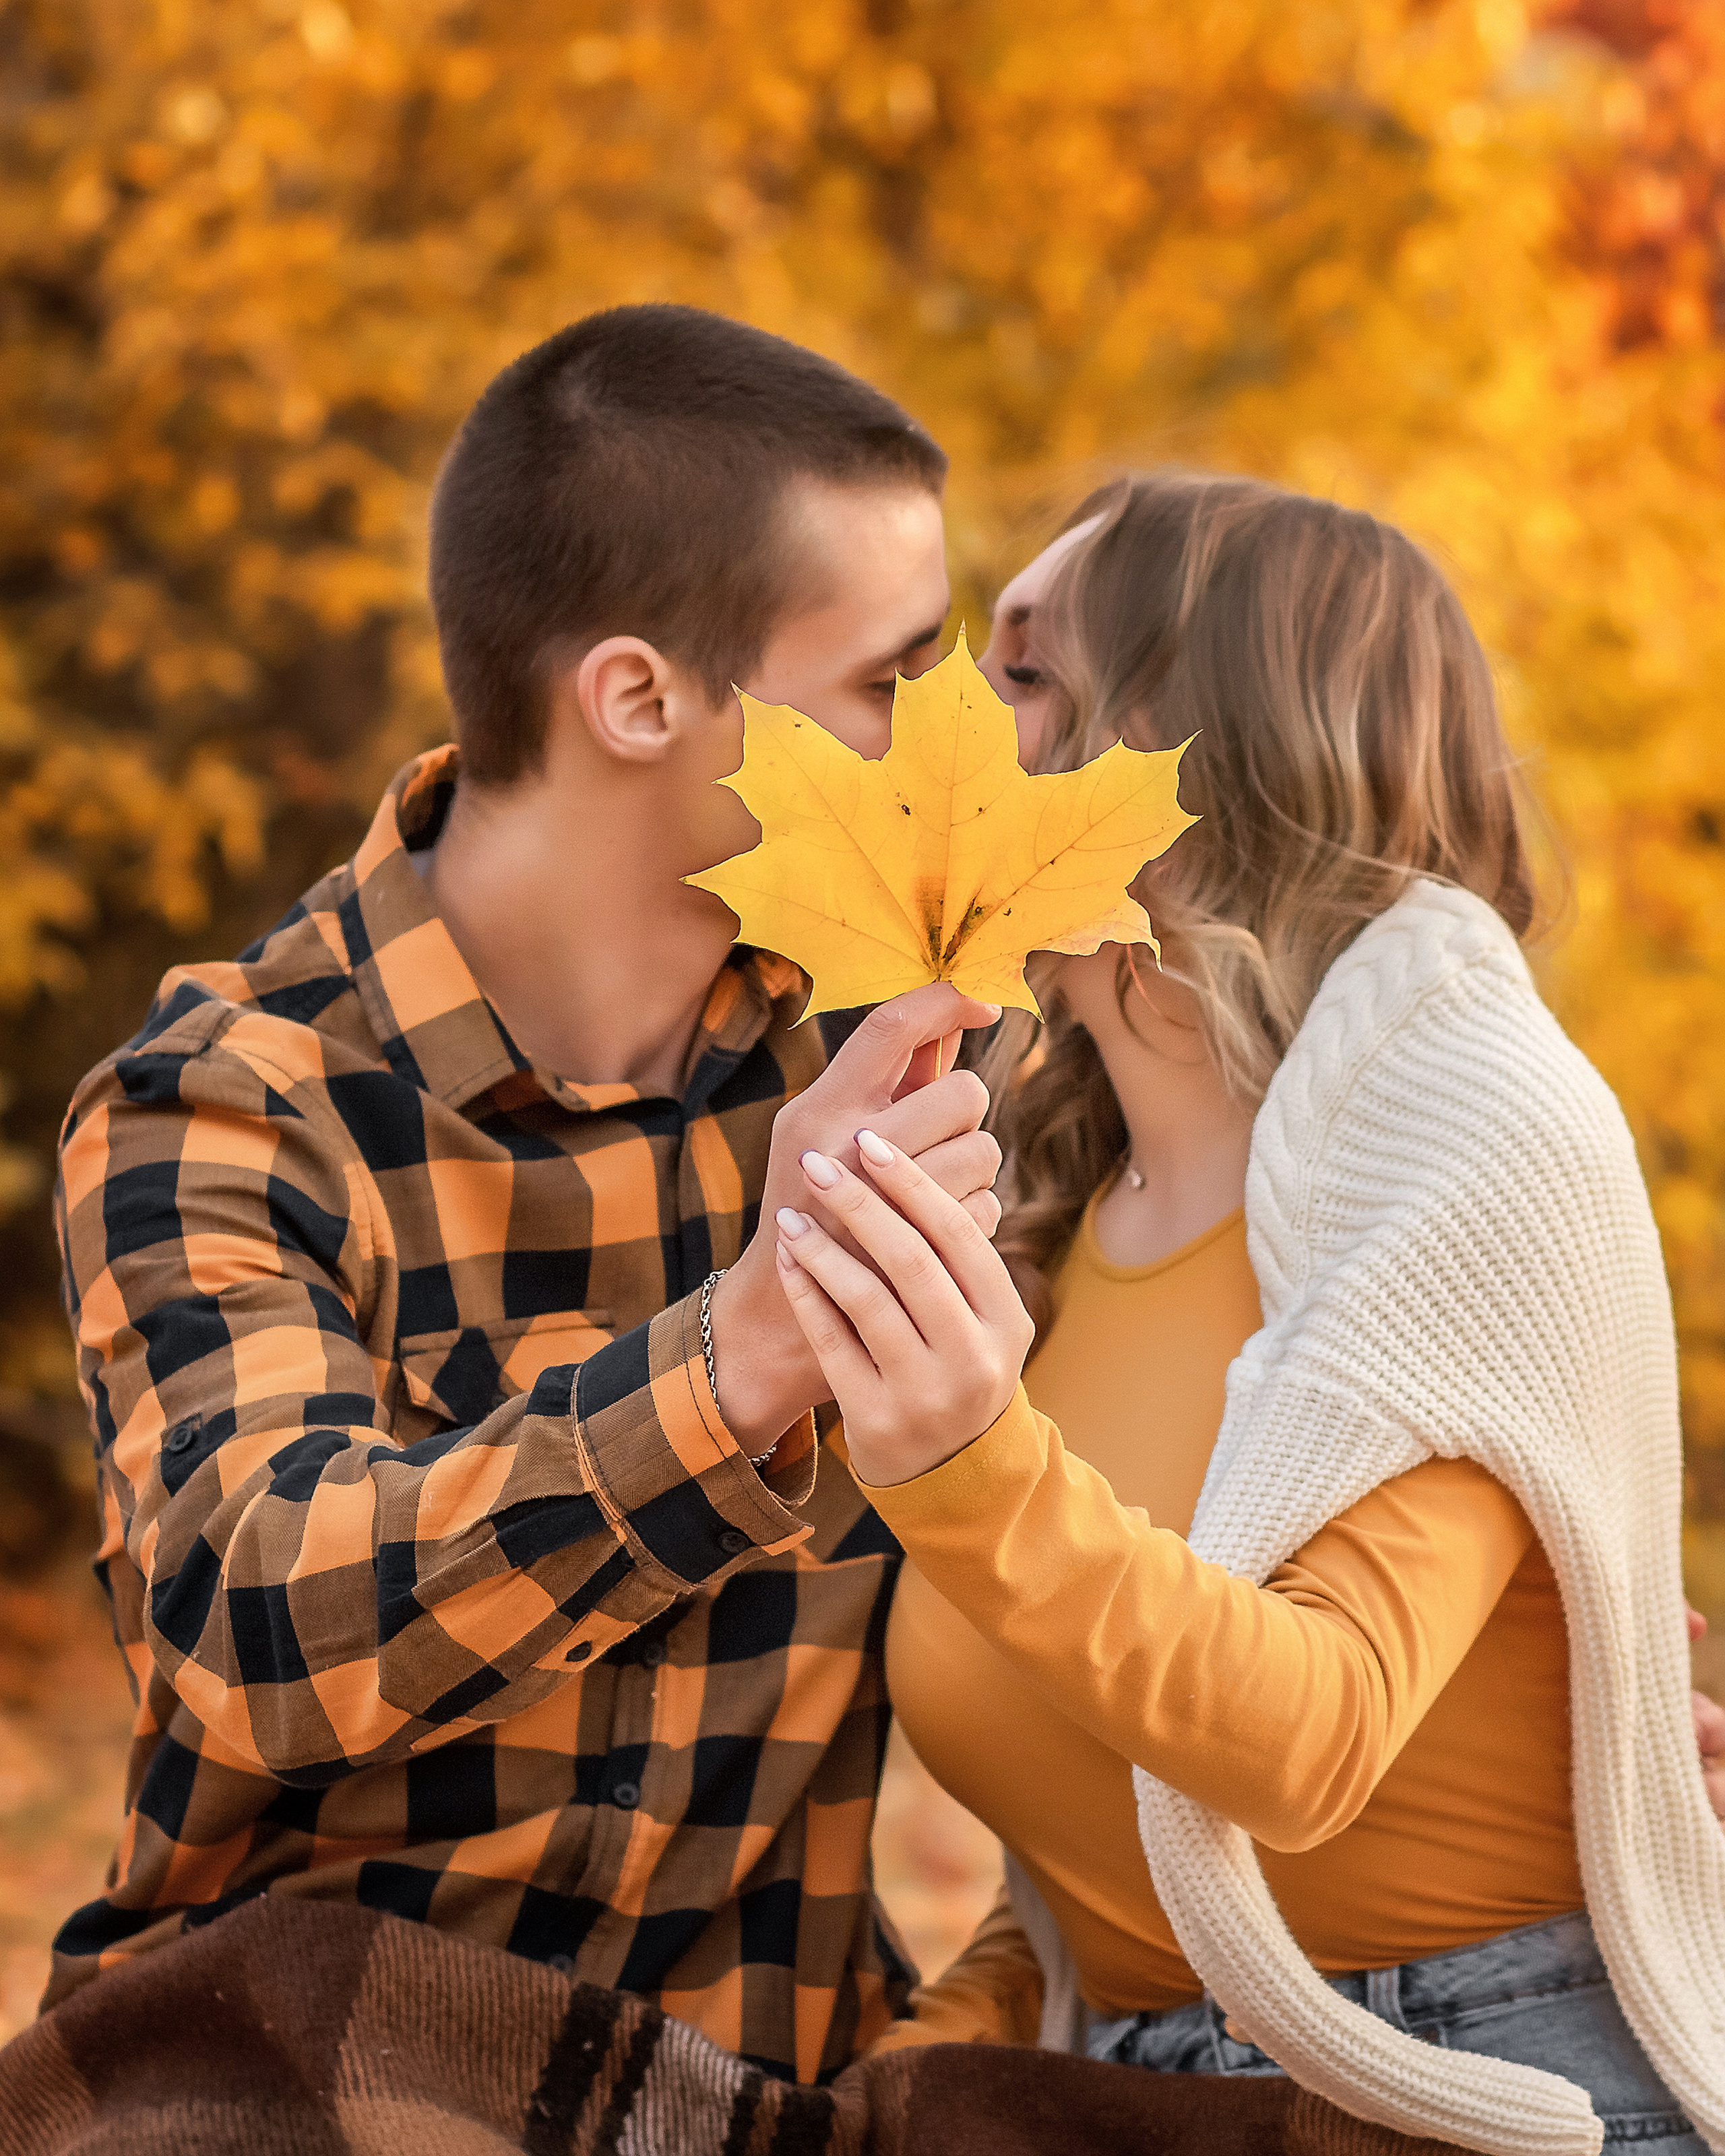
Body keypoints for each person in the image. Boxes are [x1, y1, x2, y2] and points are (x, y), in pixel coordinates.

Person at [39, 305, 1006, 2089]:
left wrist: (1589, 1706)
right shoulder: (230, 1105)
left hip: (755, 2082)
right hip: (290, 2087)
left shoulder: (897, 1065)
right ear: (639, 697)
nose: (936, 745)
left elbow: (1208, 1435)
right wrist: (739, 1364)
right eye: (885, 680)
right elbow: (259, 1624)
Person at [772, 474, 1725, 2151]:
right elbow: (1130, 1843)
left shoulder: (1481, 1137)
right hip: (1149, 2096)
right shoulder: (1058, 1197)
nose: (946, 731)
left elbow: (1304, 1742)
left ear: (1184, 747)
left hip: (1483, 2085)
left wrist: (969, 1463)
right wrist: (954, 2041)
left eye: (1022, 676)